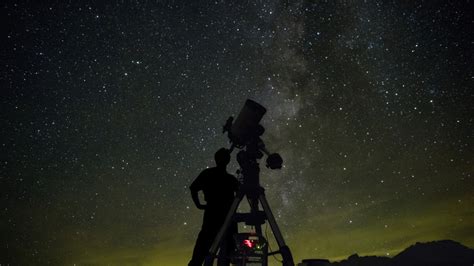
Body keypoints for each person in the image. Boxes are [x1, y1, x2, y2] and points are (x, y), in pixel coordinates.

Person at [188, 148, 239, 266]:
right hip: (227, 216)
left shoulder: (208, 174)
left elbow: (193, 189)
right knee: (225, 251)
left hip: (212, 214)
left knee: (201, 250)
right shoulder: (231, 179)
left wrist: (199, 205)